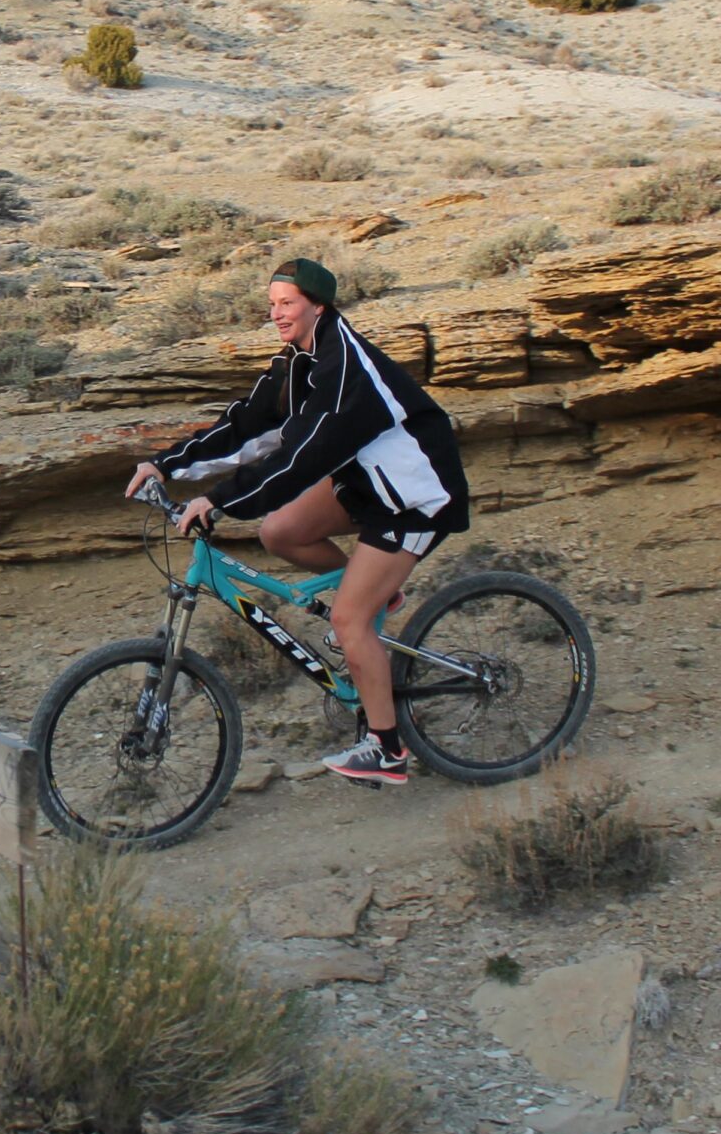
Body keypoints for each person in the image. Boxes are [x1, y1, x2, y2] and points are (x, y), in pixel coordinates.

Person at [126, 257, 469, 786]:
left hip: (416, 496)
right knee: (280, 532)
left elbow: (299, 459)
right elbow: (246, 427)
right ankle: (379, 591)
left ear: (318, 305)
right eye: (271, 304)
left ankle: (387, 749)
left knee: (349, 621)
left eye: (287, 303)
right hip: (366, 483)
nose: (276, 313)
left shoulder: (345, 370)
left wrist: (217, 502)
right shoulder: (297, 362)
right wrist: (165, 464)